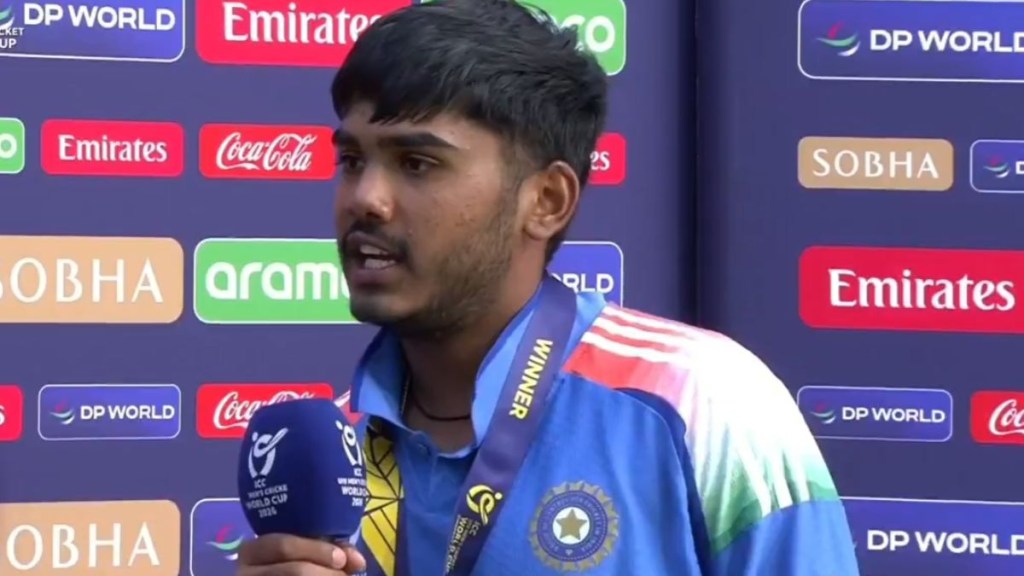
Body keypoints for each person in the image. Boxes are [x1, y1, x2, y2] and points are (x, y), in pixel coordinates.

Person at [236, 0, 860, 574]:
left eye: (417, 163)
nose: (365, 198)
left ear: (547, 200)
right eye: (352, 161)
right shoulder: (338, 456)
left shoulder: (699, 399)